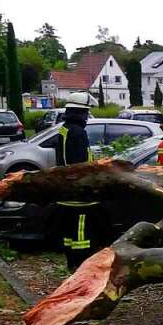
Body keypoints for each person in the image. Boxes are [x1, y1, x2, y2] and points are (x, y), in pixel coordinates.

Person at [54, 91, 106, 271]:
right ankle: (81, 262)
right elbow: (80, 164)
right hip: (78, 192)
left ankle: (71, 261)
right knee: (81, 230)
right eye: (86, 112)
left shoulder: (64, 129)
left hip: (65, 188)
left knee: (69, 230)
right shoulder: (78, 132)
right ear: (81, 112)